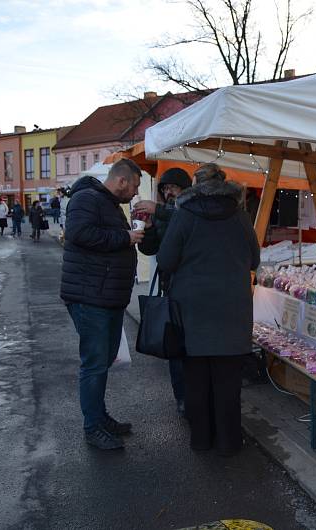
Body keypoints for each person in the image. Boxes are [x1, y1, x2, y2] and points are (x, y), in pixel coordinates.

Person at [157, 163, 260, 455]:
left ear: (195, 184)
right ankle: (229, 442)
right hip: (232, 310)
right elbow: (254, 260)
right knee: (228, 382)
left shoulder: (184, 214)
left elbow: (165, 260)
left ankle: (201, 440)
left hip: (192, 312)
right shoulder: (240, 217)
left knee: (196, 380)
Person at [60, 159, 144, 450]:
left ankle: (99, 416)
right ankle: (92, 427)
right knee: (95, 363)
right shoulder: (86, 198)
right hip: (90, 296)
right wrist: (125, 237)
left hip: (104, 295)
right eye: (134, 186)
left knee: (103, 359)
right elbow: (79, 234)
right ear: (121, 180)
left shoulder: (105, 202)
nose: (135, 192)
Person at [133, 167, 193, 417]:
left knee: (193, 348)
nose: (168, 192)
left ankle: (196, 395)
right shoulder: (163, 213)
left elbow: (181, 214)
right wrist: (146, 229)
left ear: (185, 189)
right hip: (172, 289)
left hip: (193, 288)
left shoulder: (188, 210)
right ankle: (182, 397)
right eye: (165, 188)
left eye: (173, 188)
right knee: (176, 347)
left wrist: (156, 210)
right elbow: (151, 250)